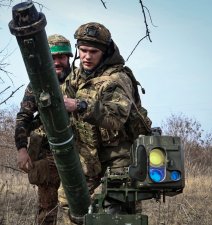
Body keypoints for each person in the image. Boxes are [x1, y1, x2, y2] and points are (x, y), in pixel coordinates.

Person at [60, 22, 151, 224]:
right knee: (70, 201)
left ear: (105, 51)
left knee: (119, 211)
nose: (87, 56)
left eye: (93, 51)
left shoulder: (118, 78)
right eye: (83, 50)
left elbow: (116, 118)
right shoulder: (75, 76)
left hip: (119, 156)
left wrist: (80, 105)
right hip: (88, 152)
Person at [15, 34, 73, 225]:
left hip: (76, 152)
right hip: (47, 155)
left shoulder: (79, 81)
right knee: (47, 210)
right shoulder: (36, 84)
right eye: (53, 57)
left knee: (77, 208)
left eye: (62, 57)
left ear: (69, 58)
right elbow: (23, 117)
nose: (57, 62)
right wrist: (22, 149)